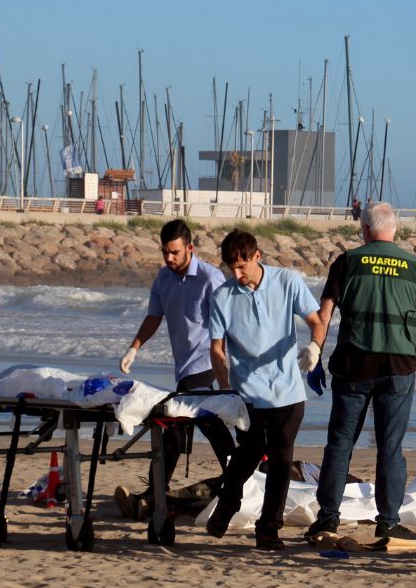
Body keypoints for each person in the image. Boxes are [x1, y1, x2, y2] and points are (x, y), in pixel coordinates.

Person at [304, 201, 416, 542]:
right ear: (393, 229)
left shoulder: (348, 262)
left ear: (365, 229)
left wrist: (315, 356)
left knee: (339, 444)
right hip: (398, 368)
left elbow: (324, 312)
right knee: (390, 448)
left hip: (353, 366)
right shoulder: (415, 265)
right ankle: (389, 521)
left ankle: (328, 519)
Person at [204, 230, 323, 550]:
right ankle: (228, 503)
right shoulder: (222, 297)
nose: (238, 274)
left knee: (282, 461)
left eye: (243, 266)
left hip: (287, 390)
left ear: (258, 256)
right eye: (232, 269)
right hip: (248, 394)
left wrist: (315, 347)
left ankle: (268, 529)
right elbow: (217, 349)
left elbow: (317, 320)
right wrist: (227, 388)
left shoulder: (287, 281)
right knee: (248, 453)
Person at [114, 219, 236, 519]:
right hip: (184, 369)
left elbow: (232, 319)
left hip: (208, 364)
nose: (169, 258)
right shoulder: (163, 279)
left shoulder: (210, 278)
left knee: (188, 426)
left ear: (189, 249)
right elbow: (154, 316)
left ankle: (154, 496)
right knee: (197, 426)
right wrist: (134, 348)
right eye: (165, 252)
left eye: (175, 253)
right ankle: (157, 496)